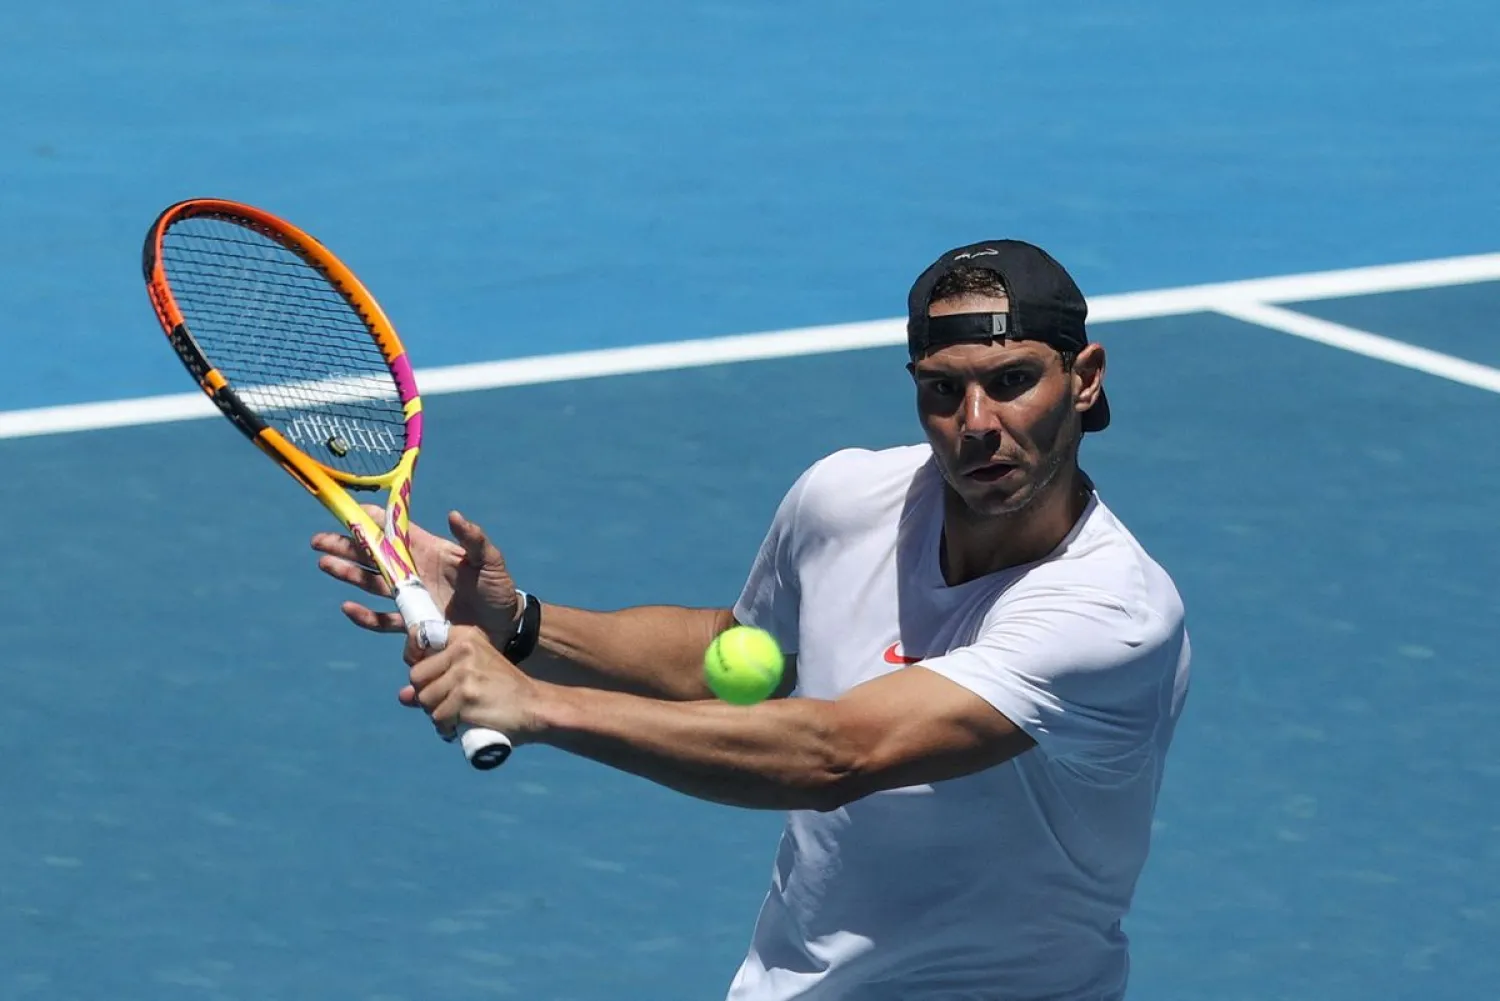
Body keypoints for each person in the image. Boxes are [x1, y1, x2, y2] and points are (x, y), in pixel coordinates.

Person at [312, 239, 1192, 1000]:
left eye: (1011, 383)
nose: (975, 424)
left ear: (1084, 379)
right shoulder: (846, 498)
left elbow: (838, 752)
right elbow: (739, 657)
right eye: (942, 390)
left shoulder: (1112, 614)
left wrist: (538, 705)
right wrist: (519, 624)